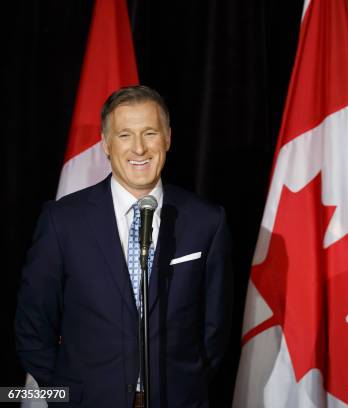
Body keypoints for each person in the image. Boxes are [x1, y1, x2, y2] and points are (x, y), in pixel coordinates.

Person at [15, 85, 232, 408]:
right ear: (106, 143)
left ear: (168, 138)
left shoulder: (206, 221)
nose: (140, 149)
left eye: (150, 133)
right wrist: (68, 395)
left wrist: (184, 385)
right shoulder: (63, 221)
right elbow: (32, 327)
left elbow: (214, 328)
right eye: (125, 135)